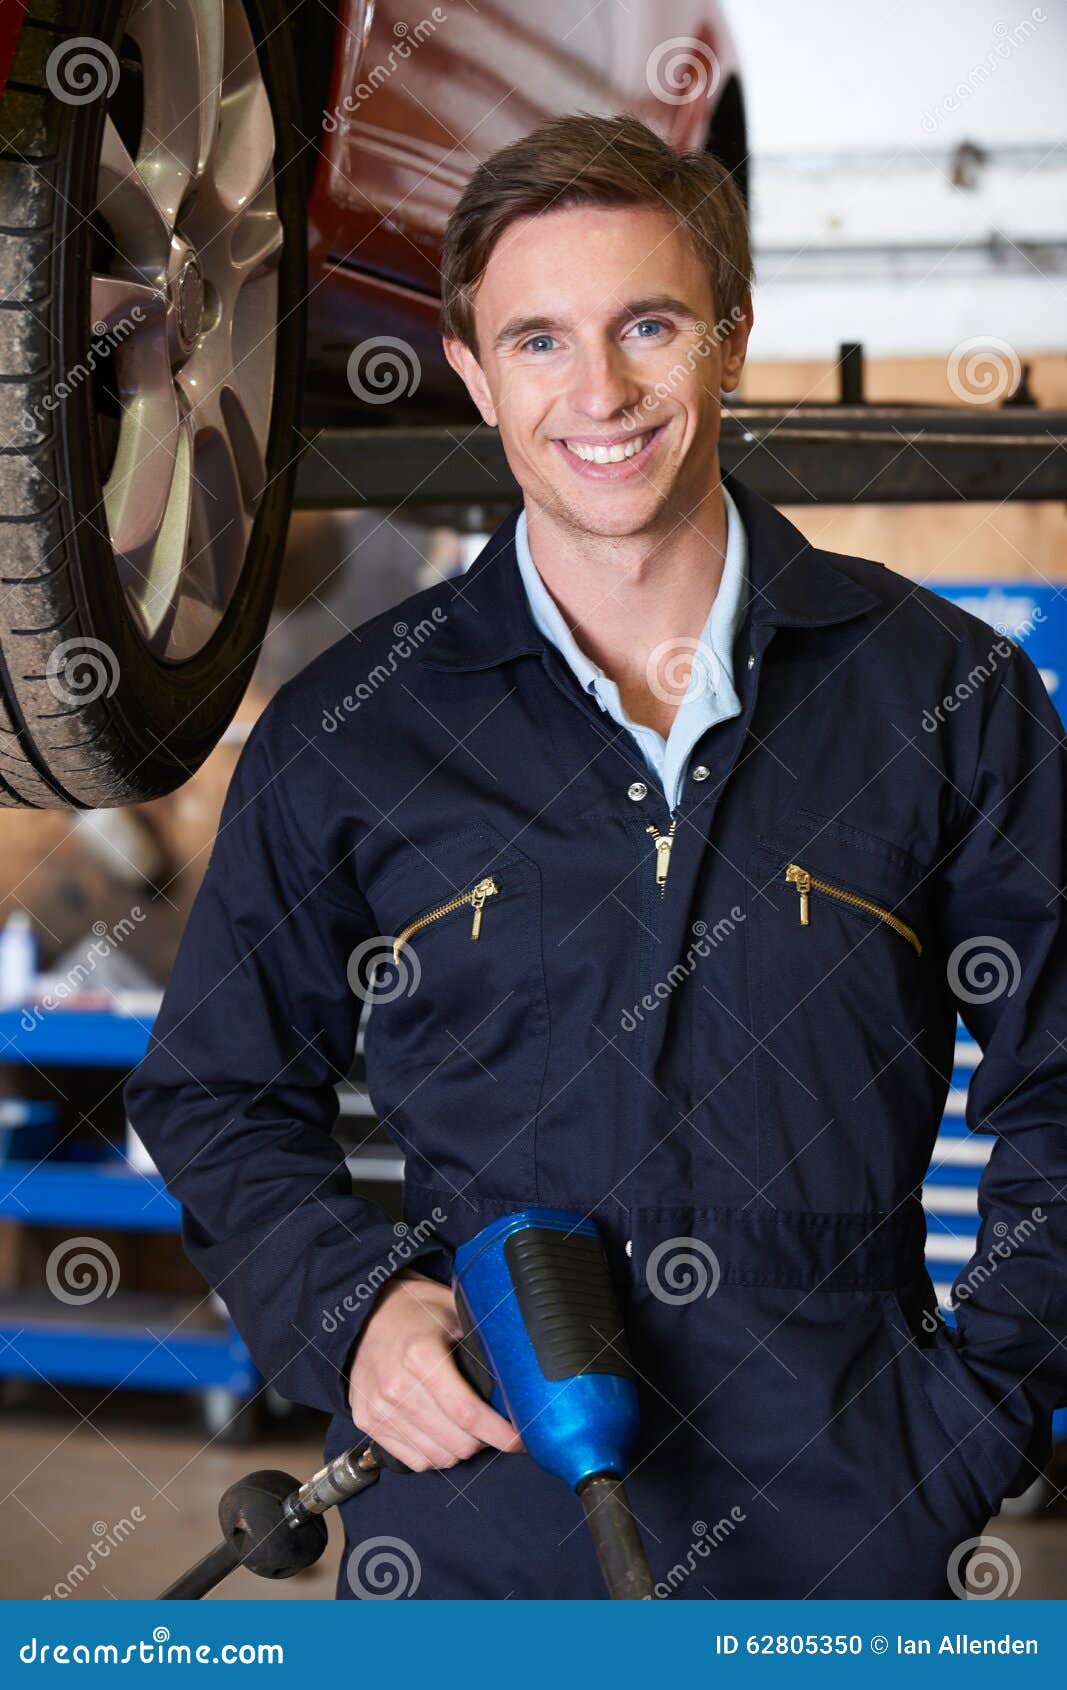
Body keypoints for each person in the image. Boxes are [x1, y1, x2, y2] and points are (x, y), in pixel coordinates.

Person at [124, 112, 1067, 1600]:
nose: (603, 392)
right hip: (479, 1506)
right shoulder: (355, 728)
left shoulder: (937, 692)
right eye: (541, 340)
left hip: (852, 1509)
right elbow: (216, 1090)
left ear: (733, 337)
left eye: (650, 325)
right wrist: (354, 1313)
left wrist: (982, 1405)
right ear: (472, 372)